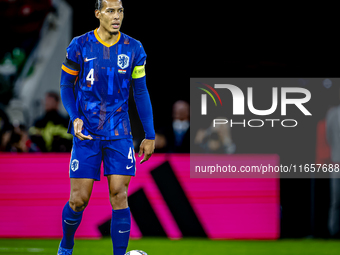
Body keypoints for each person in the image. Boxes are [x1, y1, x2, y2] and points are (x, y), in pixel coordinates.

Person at [57, 1, 155, 254]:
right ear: (97, 13)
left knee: (119, 194)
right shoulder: (79, 45)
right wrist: (75, 116)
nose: (117, 16)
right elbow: (66, 86)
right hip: (86, 131)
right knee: (78, 201)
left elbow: (141, 92)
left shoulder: (134, 48)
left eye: (120, 10)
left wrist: (149, 134)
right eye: (110, 11)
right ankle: (66, 245)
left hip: (119, 132)